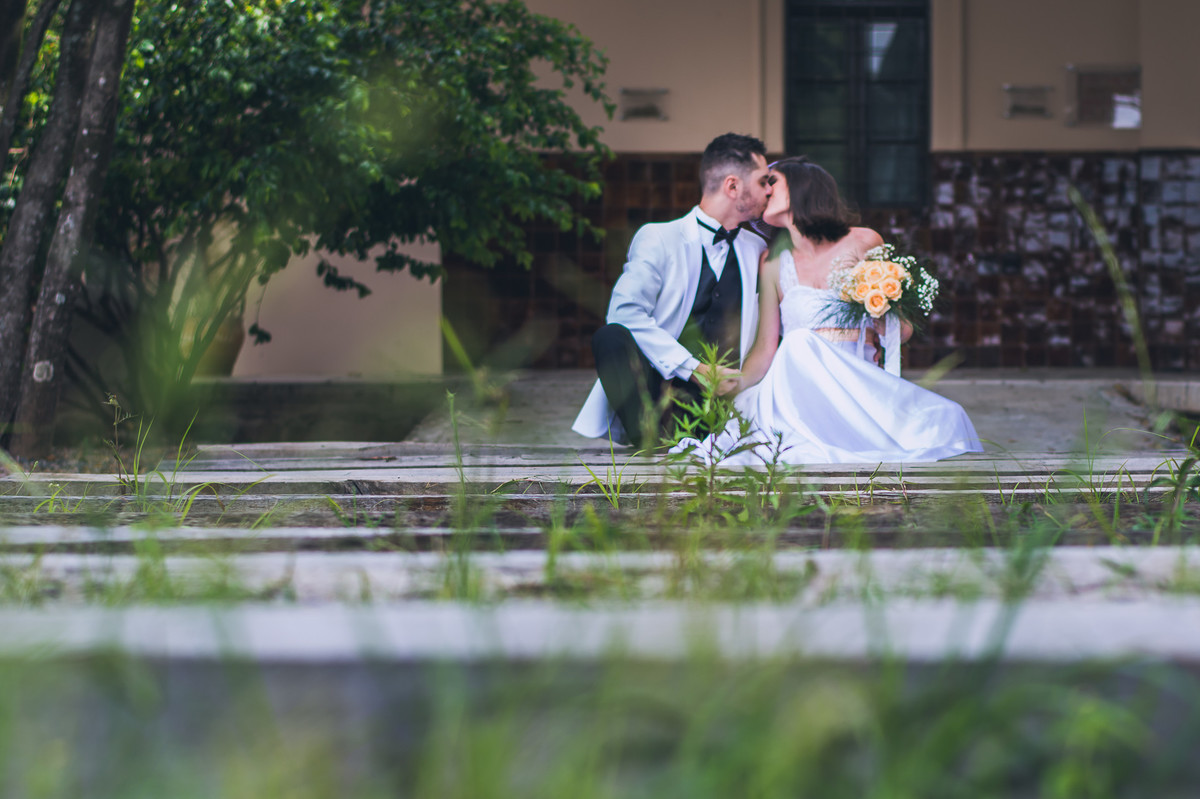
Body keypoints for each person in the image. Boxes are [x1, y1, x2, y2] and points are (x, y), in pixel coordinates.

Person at [675, 156, 982, 464]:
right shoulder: (771, 262)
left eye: (772, 182)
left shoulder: (864, 240)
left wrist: (882, 309)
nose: (764, 191)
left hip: (856, 382)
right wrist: (735, 382)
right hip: (800, 391)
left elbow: (902, 332)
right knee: (796, 343)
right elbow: (767, 348)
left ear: (800, 188)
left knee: (947, 419)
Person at [572, 133, 774, 448]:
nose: (769, 190)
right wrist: (694, 369)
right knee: (610, 337)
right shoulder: (660, 238)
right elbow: (624, 313)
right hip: (659, 397)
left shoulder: (757, 248)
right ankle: (651, 442)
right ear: (732, 186)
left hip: (728, 407)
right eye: (763, 181)